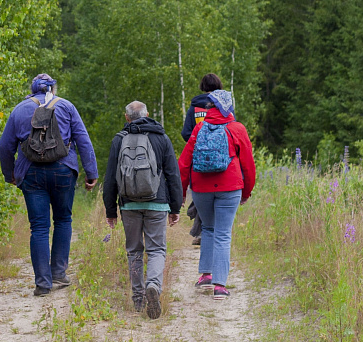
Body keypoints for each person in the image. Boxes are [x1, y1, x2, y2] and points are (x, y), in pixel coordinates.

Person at [0, 73, 99, 296]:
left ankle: (43, 283)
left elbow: (5, 146)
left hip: (31, 173)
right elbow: (83, 139)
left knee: (39, 227)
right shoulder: (67, 106)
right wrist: (91, 172)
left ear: (32, 89)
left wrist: (10, 174)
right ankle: (59, 274)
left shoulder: (19, 109)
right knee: (63, 219)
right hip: (63, 170)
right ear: (52, 89)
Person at [103, 101, 182, 318]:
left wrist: (111, 210)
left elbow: (110, 178)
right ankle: (154, 286)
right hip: (157, 203)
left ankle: (138, 301)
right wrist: (175, 207)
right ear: (147, 115)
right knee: (156, 249)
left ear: (127, 118)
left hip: (129, 205)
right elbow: (173, 175)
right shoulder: (161, 138)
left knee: (134, 251)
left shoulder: (119, 140)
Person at [179, 89, 256, 300]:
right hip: (229, 186)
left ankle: (205, 274)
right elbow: (248, 165)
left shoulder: (200, 128)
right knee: (223, 233)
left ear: (209, 108)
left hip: (201, 188)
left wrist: (181, 191)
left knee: (208, 228)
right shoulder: (237, 128)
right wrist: (246, 191)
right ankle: (220, 286)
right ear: (229, 107)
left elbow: (184, 162)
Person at [181, 73, 224, 246]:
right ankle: (214, 233)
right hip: (222, 160)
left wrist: (197, 142)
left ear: (202, 86)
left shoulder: (194, 108)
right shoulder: (223, 107)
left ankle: (202, 231)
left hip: (198, 160)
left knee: (202, 194)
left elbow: (186, 133)